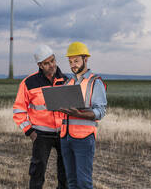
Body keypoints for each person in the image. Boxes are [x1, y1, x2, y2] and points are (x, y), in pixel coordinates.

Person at [13, 44, 68, 189]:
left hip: (64, 133)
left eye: (53, 60)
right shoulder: (29, 83)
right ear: (39, 65)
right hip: (41, 135)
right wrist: (29, 131)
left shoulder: (67, 80)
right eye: (46, 63)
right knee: (37, 172)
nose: (51, 65)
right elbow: (19, 110)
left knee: (66, 172)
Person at [59, 42, 107, 189]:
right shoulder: (68, 82)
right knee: (71, 182)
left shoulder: (95, 82)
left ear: (85, 59)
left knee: (84, 183)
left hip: (84, 139)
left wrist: (79, 114)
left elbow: (100, 111)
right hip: (65, 137)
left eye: (76, 61)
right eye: (70, 62)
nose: (73, 65)